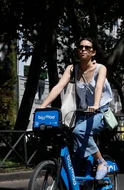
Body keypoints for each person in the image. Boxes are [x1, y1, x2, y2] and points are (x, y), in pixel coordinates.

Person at [38, 38, 113, 179]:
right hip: (82, 112)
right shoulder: (72, 68)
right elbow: (59, 87)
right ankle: (75, 189)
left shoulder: (100, 68)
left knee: (79, 131)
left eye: (87, 47)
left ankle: (101, 161)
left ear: (93, 52)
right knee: (76, 149)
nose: (83, 49)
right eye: (80, 47)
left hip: (100, 111)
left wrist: (96, 104)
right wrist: (43, 105)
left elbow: (99, 86)